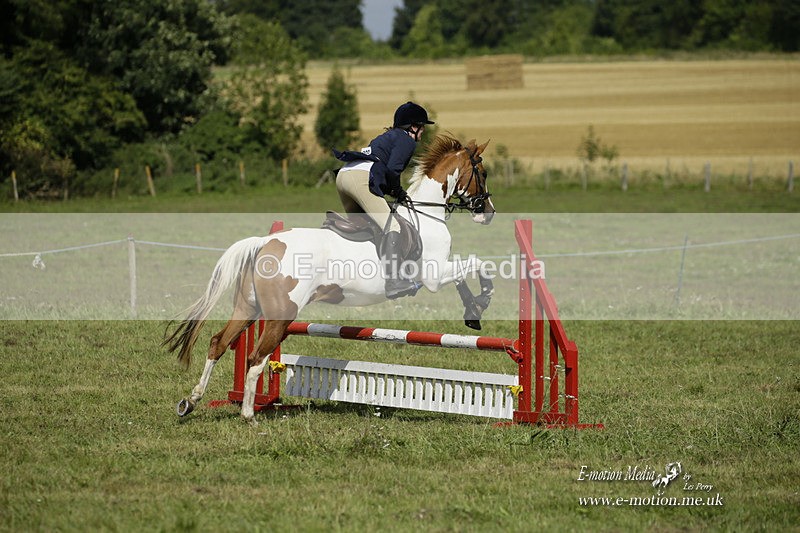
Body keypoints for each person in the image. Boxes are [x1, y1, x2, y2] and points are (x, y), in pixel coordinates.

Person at [333, 101, 434, 299]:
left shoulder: (386, 137)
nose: (422, 132)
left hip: (344, 175)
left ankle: (357, 274)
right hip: (360, 179)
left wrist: (393, 190)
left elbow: (382, 171)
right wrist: (397, 191)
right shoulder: (407, 141)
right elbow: (392, 171)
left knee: (364, 226)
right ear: (413, 127)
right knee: (393, 227)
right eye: (421, 127)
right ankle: (394, 281)